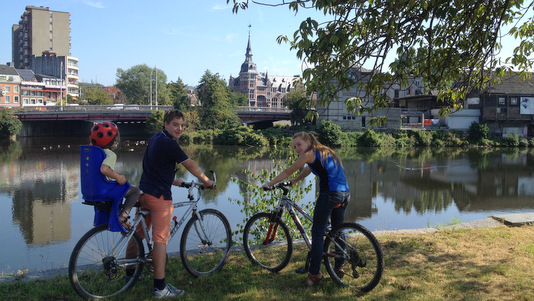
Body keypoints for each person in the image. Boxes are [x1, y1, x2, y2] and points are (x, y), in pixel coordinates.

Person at [133, 110, 214, 298]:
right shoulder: (169, 143)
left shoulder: (155, 138)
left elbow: (153, 165)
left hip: (143, 192)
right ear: (166, 124)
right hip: (159, 196)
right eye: (176, 124)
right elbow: (190, 164)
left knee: (137, 234)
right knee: (161, 239)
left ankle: (130, 274)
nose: (180, 128)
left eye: (183, 125)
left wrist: (172, 180)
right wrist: (206, 180)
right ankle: (160, 288)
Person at [262, 131, 350, 287]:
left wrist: (269, 184)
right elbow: (309, 169)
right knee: (338, 231)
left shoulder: (307, 154)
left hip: (329, 195)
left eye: (299, 144)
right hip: (344, 193)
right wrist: (295, 181)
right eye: (294, 146)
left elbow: (288, 170)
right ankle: (339, 266)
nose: (296, 148)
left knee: (317, 233)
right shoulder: (324, 151)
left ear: (308, 142)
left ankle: (314, 274)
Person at [90, 121, 140, 231]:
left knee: (119, 188)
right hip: (104, 191)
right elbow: (104, 169)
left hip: (92, 190)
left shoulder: (92, 152)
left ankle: (117, 217)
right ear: (113, 141)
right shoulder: (110, 154)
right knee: (135, 191)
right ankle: (122, 217)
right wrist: (117, 177)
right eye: (116, 140)